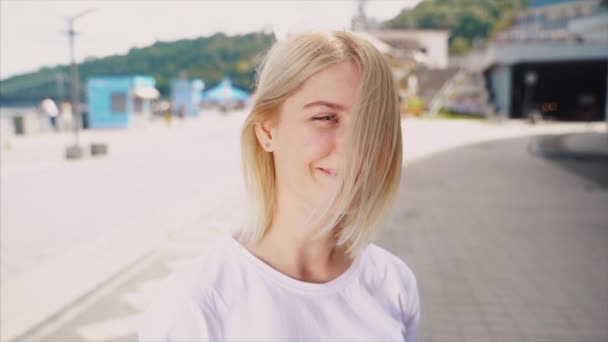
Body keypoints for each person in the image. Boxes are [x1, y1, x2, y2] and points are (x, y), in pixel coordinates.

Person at [139, 31, 421, 341]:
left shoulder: (393, 283)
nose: (358, 149)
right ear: (267, 131)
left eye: (375, 124)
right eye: (326, 117)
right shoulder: (195, 306)